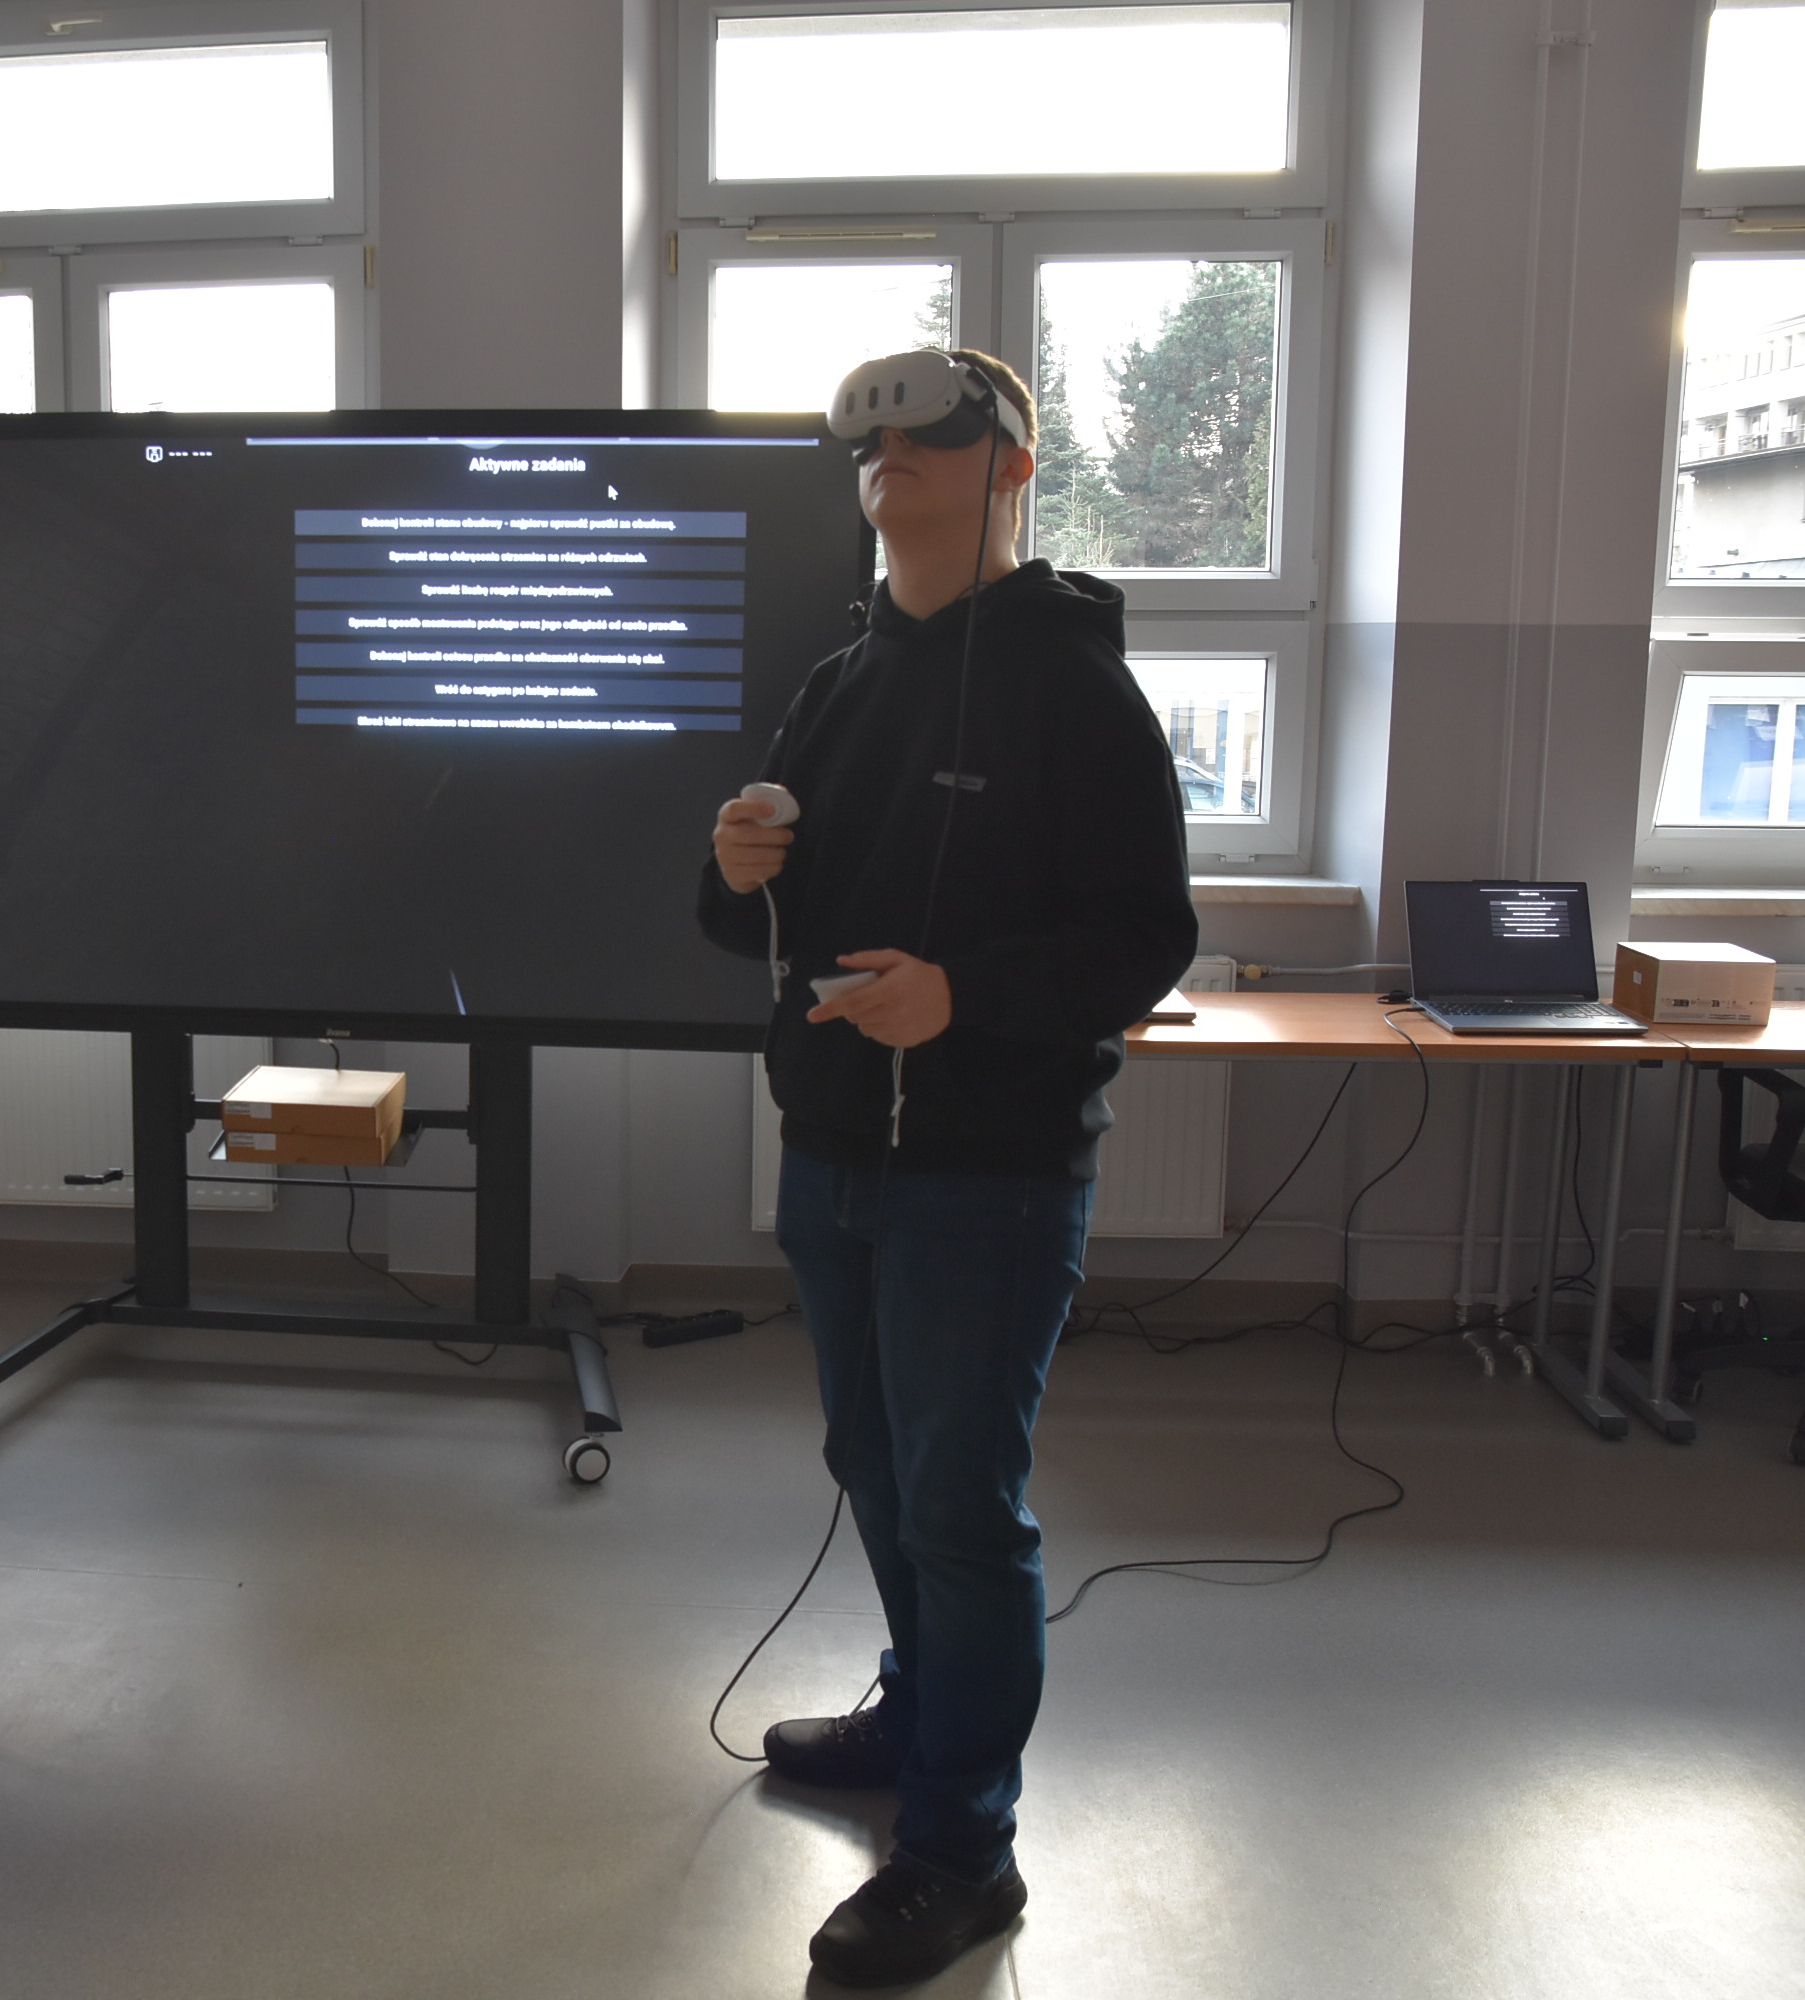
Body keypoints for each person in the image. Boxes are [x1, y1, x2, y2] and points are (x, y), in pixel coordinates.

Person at [696, 349, 1196, 1988]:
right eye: (873, 439)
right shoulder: (841, 680)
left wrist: (962, 997)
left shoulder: (1078, 689)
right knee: (872, 1462)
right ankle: (922, 1716)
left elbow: (1145, 941)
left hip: (991, 1173)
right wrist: (732, 865)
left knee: (964, 1512)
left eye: (934, 432)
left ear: (1012, 467)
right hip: (833, 1150)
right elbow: (749, 925)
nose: (893, 456)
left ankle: (965, 1852)